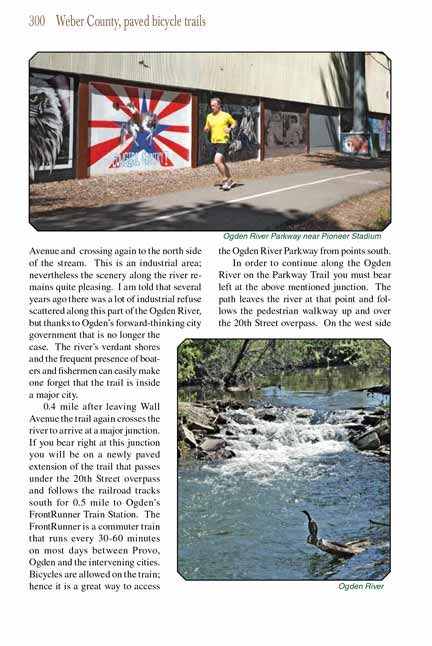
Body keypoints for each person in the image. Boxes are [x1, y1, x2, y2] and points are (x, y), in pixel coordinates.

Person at [204, 98, 237, 190]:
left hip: (224, 141)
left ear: (219, 105)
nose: (212, 107)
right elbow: (207, 127)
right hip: (214, 141)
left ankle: (225, 179)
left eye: (214, 105)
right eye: (211, 105)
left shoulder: (225, 115)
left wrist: (230, 129)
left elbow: (234, 123)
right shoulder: (209, 116)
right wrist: (206, 129)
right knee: (221, 162)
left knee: (217, 161)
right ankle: (230, 179)